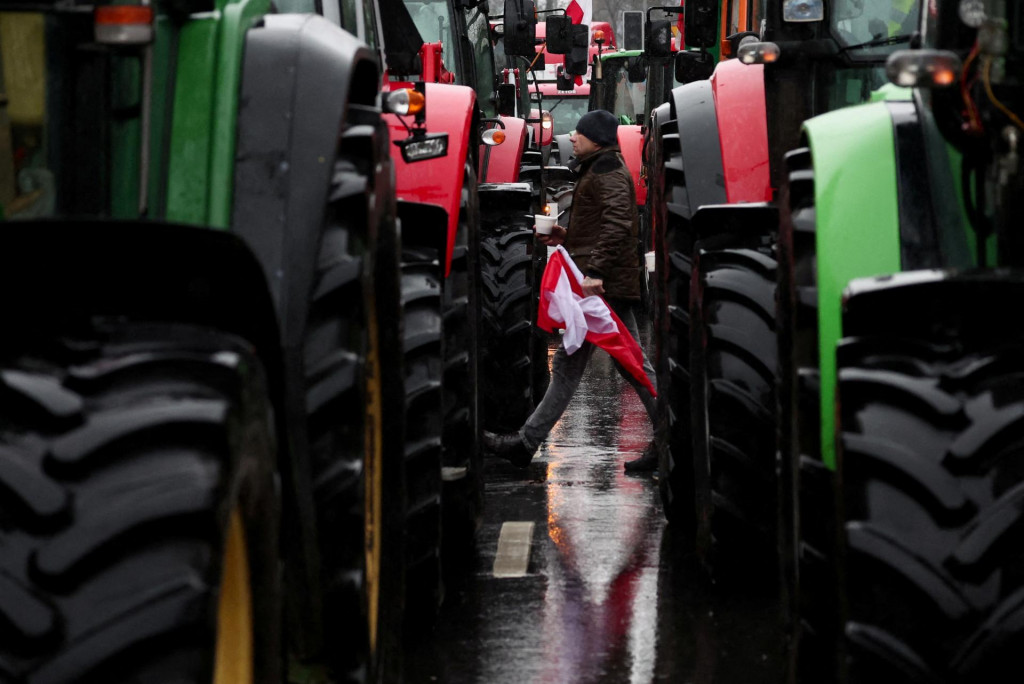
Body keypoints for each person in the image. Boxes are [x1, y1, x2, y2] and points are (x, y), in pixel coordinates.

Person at [482, 109, 659, 473]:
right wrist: (565, 237)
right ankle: (525, 442)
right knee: (586, 363)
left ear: (596, 139)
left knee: (632, 365)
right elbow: (601, 226)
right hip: (600, 284)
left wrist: (594, 272)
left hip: (602, 286)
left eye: (580, 133)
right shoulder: (598, 168)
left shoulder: (607, 169)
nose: (573, 138)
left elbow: (617, 221)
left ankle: (674, 439)